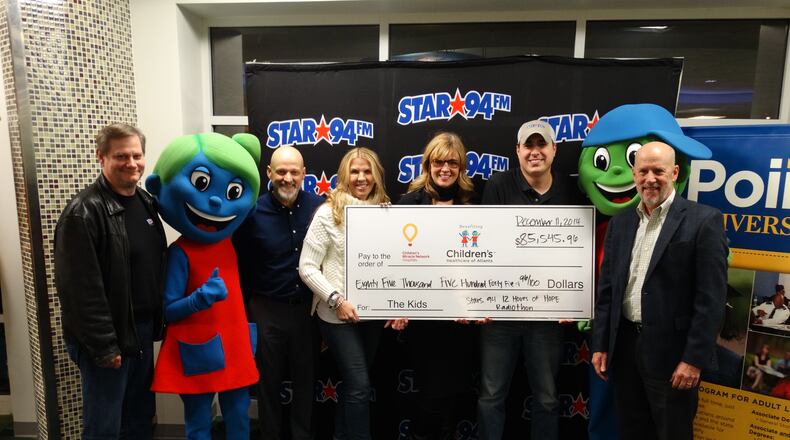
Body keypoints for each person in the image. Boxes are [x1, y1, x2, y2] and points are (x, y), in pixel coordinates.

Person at [591, 141, 728, 440]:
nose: (650, 178)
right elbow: (608, 292)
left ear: (675, 172)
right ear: (634, 173)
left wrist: (693, 360)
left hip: (673, 356)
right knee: (631, 430)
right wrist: (601, 343)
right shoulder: (620, 223)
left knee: (672, 433)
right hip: (624, 349)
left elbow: (712, 300)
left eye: (658, 170)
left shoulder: (704, 220)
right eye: (643, 171)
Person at [54, 123, 166, 439]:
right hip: (108, 338)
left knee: (138, 418)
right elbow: (79, 292)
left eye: (136, 155)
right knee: (105, 427)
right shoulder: (83, 213)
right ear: (101, 157)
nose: (131, 163)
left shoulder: (144, 201)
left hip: (140, 332)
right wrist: (105, 346)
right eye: (121, 156)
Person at [146, 132, 261, 439]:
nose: (215, 200)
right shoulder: (180, 252)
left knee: (239, 419)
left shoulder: (230, 243)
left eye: (233, 190)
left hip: (235, 348)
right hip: (198, 351)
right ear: (158, 188)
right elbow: (168, 311)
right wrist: (199, 299)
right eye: (201, 183)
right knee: (198, 424)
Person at [477, 120, 587, 440]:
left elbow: (578, 252)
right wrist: (479, 300)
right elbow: (483, 247)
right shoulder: (498, 185)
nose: (535, 152)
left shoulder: (569, 189)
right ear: (518, 151)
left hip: (547, 317)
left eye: (542, 145)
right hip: (500, 315)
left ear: (554, 149)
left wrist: (574, 300)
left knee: (547, 398)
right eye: (529, 145)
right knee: (490, 396)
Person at [299, 147, 406, 440]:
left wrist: (397, 304)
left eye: (367, 171)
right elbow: (307, 267)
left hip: (371, 314)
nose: (361, 178)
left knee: (353, 383)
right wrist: (336, 300)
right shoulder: (327, 213)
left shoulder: (385, 213)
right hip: (336, 316)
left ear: (376, 175)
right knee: (359, 384)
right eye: (355, 171)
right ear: (344, 175)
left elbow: (394, 263)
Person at [233, 146, 323, 440]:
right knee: (268, 384)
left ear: (304, 174)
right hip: (265, 309)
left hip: (306, 312)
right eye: (281, 171)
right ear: (269, 173)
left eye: (294, 172)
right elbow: (241, 265)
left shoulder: (319, 208)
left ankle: (302, 436)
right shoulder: (252, 212)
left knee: (306, 382)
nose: (287, 178)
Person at [397, 132, 477, 439]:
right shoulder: (408, 204)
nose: (445, 168)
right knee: (429, 391)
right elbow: (395, 261)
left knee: (455, 392)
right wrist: (397, 305)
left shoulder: (472, 203)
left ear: (461, 167)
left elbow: (481, 264)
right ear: (428, 164)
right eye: (439, 162)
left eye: (452, 163)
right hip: (423, 319)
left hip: (460, 319)